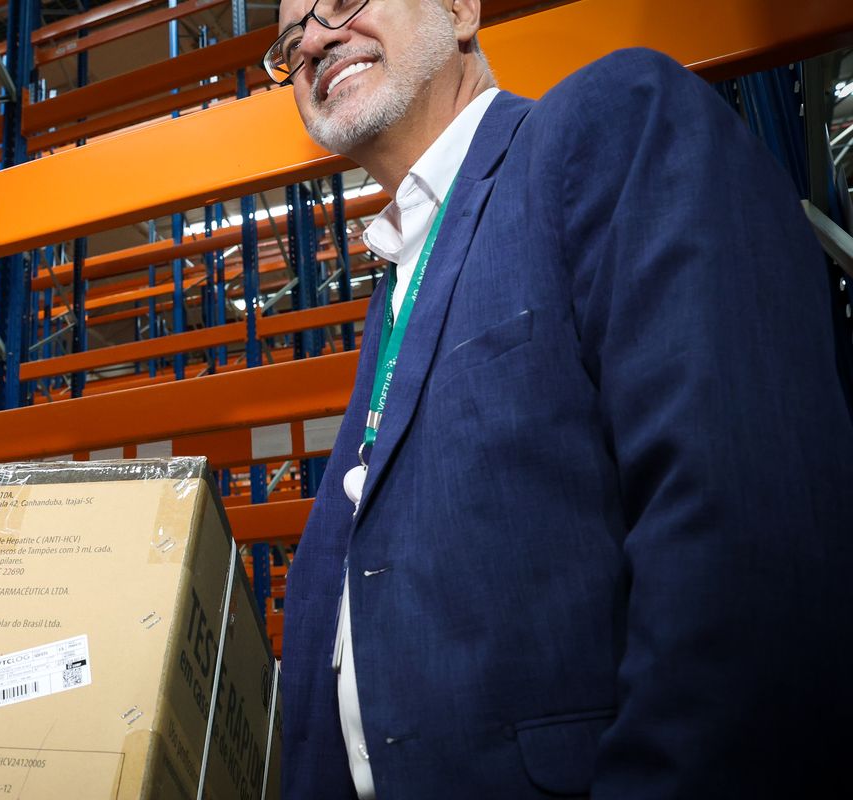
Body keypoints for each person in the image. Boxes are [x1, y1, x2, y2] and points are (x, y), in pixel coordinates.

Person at [265, 1, 853, 797]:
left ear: (459, 10)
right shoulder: (398, 285)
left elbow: (746, 532)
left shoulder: (607, 124)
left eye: (343, 3)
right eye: (290, 38)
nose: (313, 39)